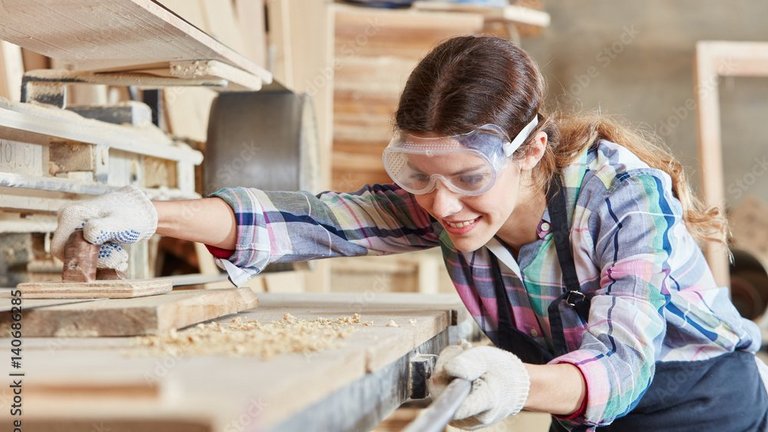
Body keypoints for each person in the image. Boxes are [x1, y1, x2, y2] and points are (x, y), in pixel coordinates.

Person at [51, 36, 768, 431]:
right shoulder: (438, 197)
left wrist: (518, 382)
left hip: (702, 403)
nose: (444, 206)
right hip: (579, 402)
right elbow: (310, 219)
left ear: (529, 151)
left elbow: (622, 362)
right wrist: (152, 212)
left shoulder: (618, 196)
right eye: (421, 176)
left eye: (468, 178)